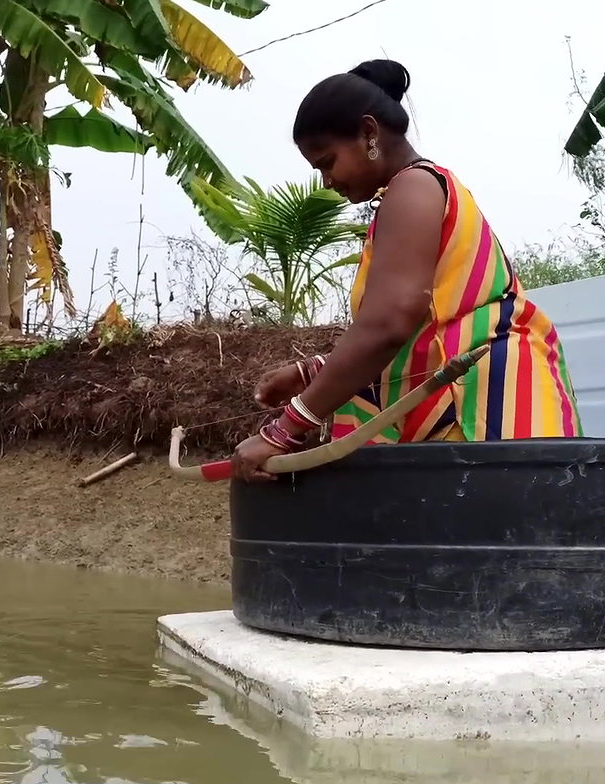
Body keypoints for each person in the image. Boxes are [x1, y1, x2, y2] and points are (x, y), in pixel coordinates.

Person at [229, 59, 581, 482]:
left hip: (489, 412)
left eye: (327, 162)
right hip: (481, 412)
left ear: (369, 133)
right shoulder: (418, 191)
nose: (326, 181)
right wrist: (313, 371)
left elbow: (389, 325)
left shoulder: (412, 188)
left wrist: (285, 429)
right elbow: (422, 327)